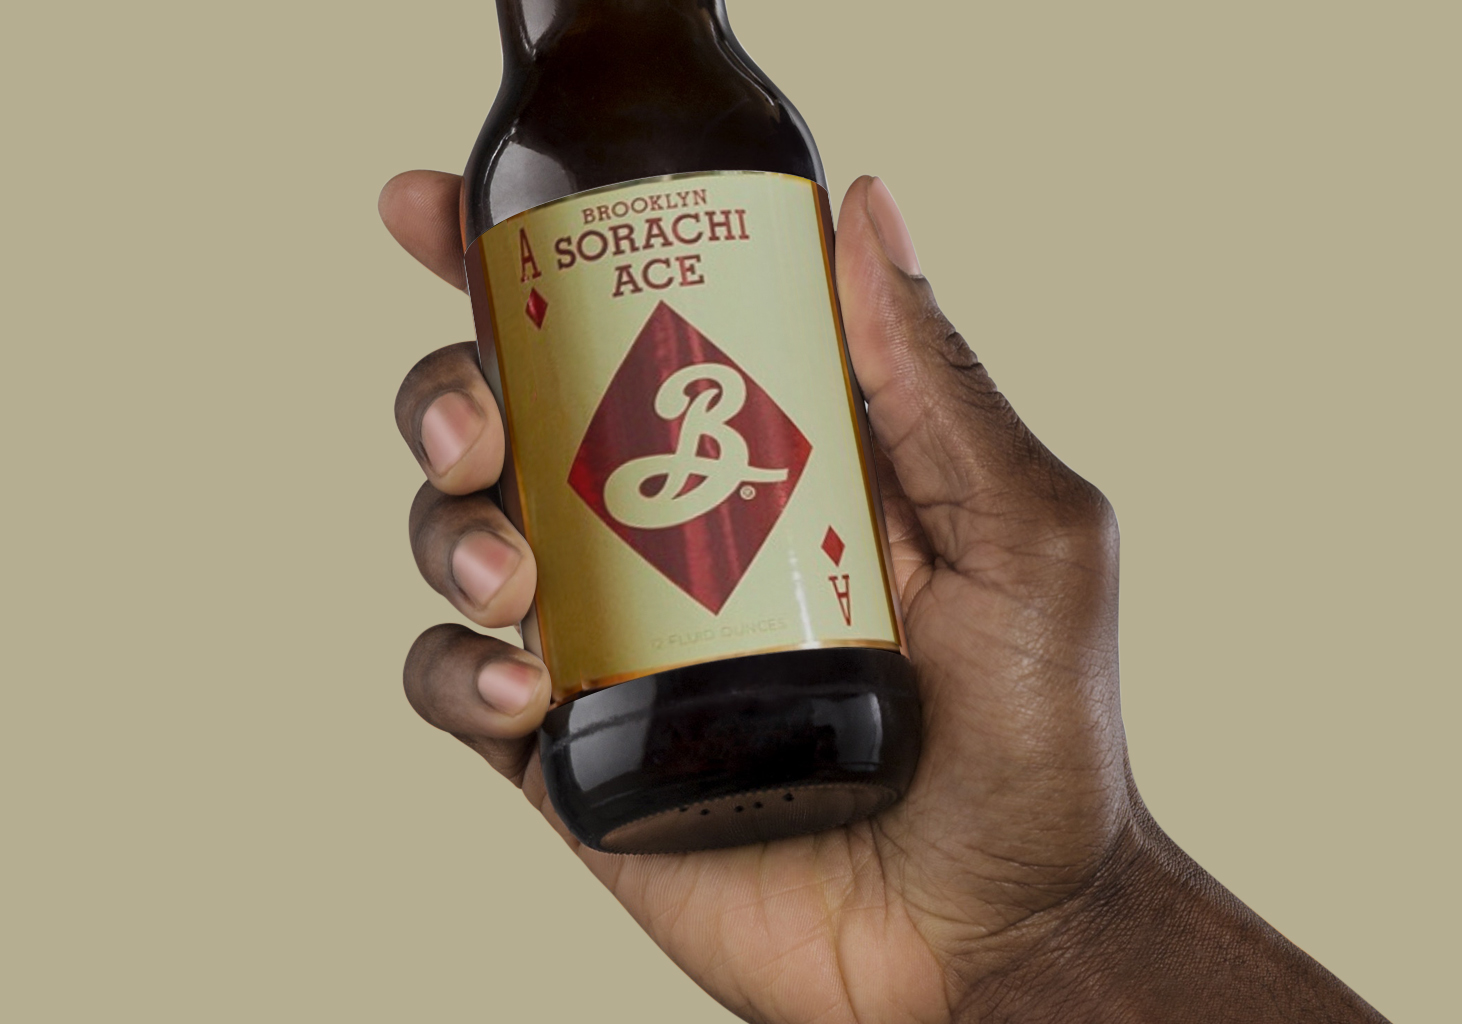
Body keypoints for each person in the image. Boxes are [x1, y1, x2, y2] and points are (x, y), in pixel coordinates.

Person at [379, 169, 1388, 1023]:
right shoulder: (523, 160)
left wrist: (1055, 925)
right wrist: (1039, 940)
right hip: (668, 750)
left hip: (847, 725)